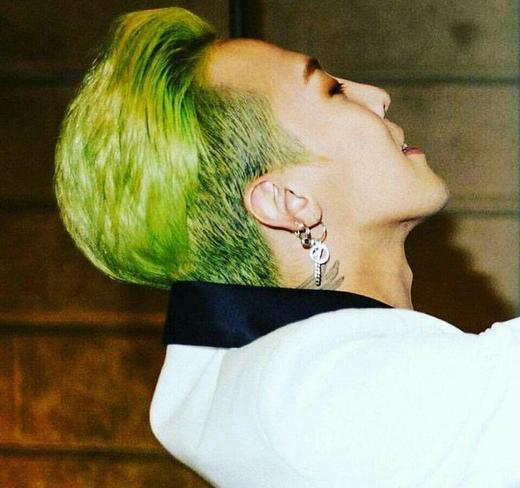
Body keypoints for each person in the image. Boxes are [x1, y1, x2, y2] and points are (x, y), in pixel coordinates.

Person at [54, 7, 520, 488]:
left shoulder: (276, 385)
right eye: (332, 90)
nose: (379, 97)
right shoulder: (334, 393)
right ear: (288, 201)